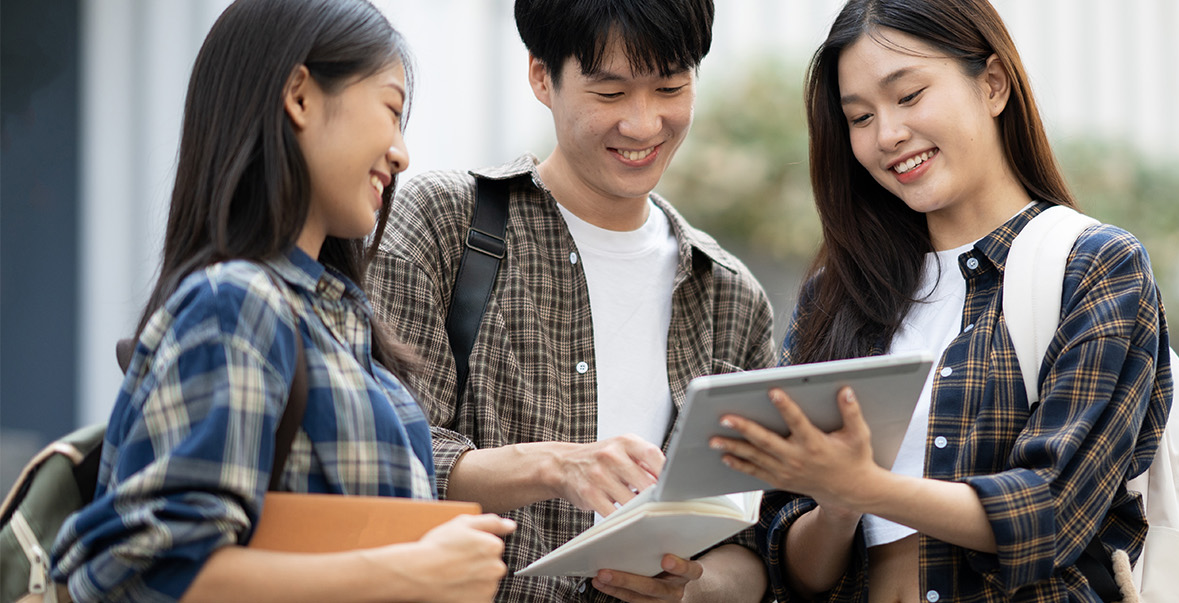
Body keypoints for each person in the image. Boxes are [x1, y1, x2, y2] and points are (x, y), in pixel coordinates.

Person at [49, 1, 517, 601]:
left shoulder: (335, 325)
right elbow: (147, 573)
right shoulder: (237, 304)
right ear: (299, 96)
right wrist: (414, 571)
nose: (402, 154)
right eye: (391, 110)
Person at [710, 0, 1176, 600]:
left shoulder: (1092, 266)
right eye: (859, 117)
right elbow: (794, 571)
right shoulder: (837, 293)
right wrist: (837, 505)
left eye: (908, 96)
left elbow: (1052, 511)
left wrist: (864, 485)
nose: (888, 135)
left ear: (993, 84)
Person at [365, 1, 774, 601]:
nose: (643, 124)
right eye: (610, 93)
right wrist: (557, 467)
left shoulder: (730, 295)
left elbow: (752, 545)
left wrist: (688, 589)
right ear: (541, 76)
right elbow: (378, 456)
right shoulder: (440, 225)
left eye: (670, 87)